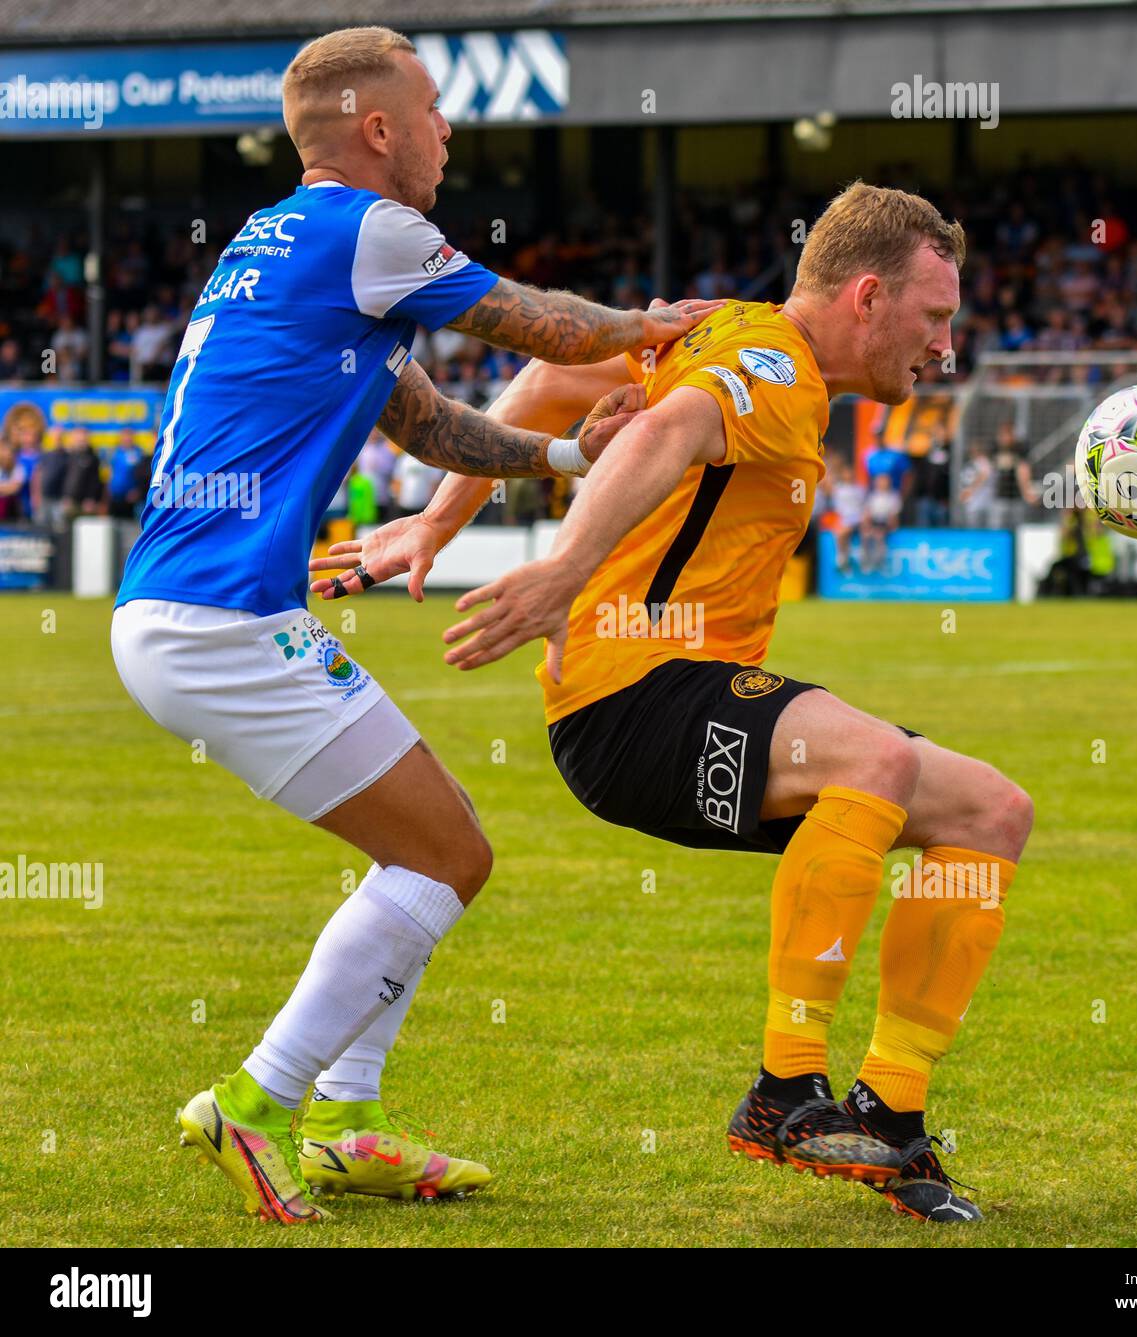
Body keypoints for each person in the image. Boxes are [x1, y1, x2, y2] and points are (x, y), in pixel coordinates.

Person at [322, 183, 1035, 1224]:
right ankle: (785, 1090)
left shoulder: (740, 342)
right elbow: (673, 434)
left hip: (682, 695)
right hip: (631, 696)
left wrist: (435, 519)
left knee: (989, 810)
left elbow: (558, 373)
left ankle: (888, 1113)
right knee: (872, 759)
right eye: (934, 319)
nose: (943, 347)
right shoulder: (768, 365)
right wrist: (563, 571)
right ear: (869, 295)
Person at [109, 24, 719, 1226]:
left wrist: (555, 451)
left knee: (422, 852)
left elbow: (427, 421)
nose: (447, 131)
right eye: (433, 110)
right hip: (219, 621)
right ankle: (259, 1100)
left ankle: (345, 1119)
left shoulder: (275, 245)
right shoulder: (369, 228)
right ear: (376, 127)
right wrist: (655, 326)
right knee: (451, 856)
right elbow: (543, 325)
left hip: (191, 615)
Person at [861, 473, 902, 572]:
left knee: (879, 535)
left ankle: (879, 561)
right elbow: (867, 513)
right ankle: (865, 560)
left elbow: (893, 516)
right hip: (874, 521)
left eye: (884, 481)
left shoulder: (893, 497)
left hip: (885, 523)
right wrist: (867, 525)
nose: (882, 484)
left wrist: (887, 526)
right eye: (880, 481)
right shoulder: (872, 496)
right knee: (865, 535)